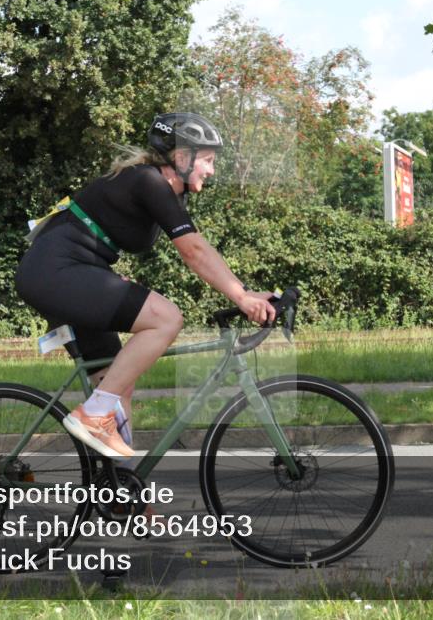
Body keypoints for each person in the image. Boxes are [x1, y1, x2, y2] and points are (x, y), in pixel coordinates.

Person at [15, 112, 277, 460]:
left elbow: (200, 248)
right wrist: (241, 296)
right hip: (55, 271)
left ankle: (128, 502)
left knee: (117, 381)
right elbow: (193, 252)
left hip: (70, 272)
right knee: (166, 318)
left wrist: (245, 290)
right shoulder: (148, 181)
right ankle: (94, 415)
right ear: (181, 157)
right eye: (209, 161)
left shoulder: (166, 191)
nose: (212, 170)